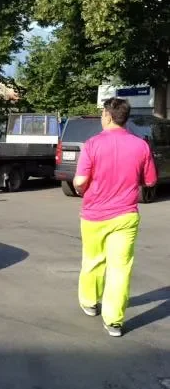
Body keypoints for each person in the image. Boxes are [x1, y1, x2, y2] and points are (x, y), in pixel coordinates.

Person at [74, 98, 159, 337]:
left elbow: (80, 181)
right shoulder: (140, 145)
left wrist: (81, 187)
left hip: (93, 215)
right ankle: (114, 321)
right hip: (126, 215)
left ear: (108, 115)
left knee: (93, 260)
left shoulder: (92, 144)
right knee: (120, 268)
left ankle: (90, 302)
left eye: (102, 114)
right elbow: (150, 180)